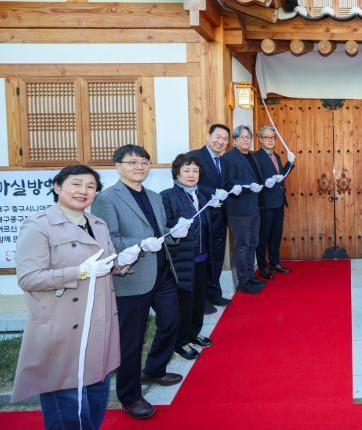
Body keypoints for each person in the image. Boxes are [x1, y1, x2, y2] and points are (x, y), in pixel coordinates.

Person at [12, 165, 138, 428]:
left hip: (99, 324)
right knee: (67, 409)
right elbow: (29, 278)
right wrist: (79, 272)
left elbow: (104, 265)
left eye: (91, 186)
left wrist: (122, 262)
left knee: (95, 401)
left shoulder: (98, 224)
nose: (83, 191)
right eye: (76, 184)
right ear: (57, 187)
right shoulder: (39, 226)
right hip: (62, 328)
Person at [91, 145, 191, 419]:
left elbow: (160, 234)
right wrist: (141, 243)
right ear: (117, 166)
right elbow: (107, 240)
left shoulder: (154, 197)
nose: (140, 167)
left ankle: (154, 369)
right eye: (132, 162)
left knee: (171, 321)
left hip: (162, 272)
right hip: (132, 277)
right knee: (131, 340)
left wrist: (175, 233)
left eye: (144, 162)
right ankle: (130, 395)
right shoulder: (106, 199)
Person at [162, 154, 214, 362]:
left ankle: (193, 333)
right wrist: (175, 227)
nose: (191, 175)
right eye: (186, 171)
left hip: (202, 256)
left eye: (195, 171)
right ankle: (180, 341)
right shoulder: (167, 196)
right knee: (184, 301)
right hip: (182, 259)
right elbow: (164, 226)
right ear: (177, 174)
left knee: (199, 299)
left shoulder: (202, 195)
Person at [189, 124, 232, 313]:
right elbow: (188, 182)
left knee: (216, 255)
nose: (220, 141)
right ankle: (202, 299)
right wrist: (212, 192)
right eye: (217, 137)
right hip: (202, 216)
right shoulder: (194, 157)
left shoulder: (224, 161)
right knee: (202, 257)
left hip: (220, 216)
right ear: (208, 136)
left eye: (225, 139)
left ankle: (214, 292)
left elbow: (226, 184)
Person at [221, 125, 266, 294]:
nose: (246, 140)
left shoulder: (252, 156)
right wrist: (247, 186)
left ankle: (250, 275)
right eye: (242, 137)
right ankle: (244, 281)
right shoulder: (228, 157)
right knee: (242, 245)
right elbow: (228, 182)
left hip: (254, 207)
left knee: (253, 243)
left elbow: (257, 178)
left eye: (249, 137)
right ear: (234, 140)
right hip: (239, 209)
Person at [254, 125, 295, 279]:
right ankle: (263, 267)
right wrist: (265, 182)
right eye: (267, 137)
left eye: (273, 137)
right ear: (260, 139)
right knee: (263, 237)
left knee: (276, 235)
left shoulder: (276, 156)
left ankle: (275, 263)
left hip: (278, 201)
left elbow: (281, 177)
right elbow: (255, 179)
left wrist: (290, 163)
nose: (270, 140)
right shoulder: (256, 157)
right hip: (265, 203)